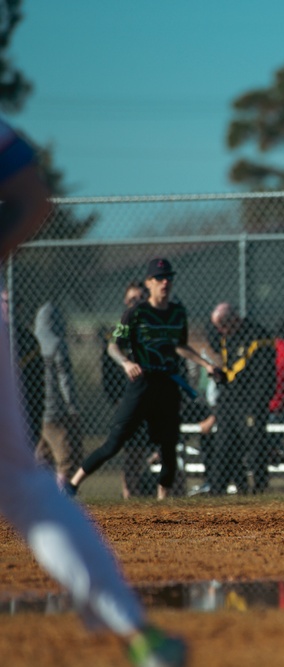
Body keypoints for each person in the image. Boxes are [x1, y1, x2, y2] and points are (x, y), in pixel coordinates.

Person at [0, 118, 187, 665]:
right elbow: (33, 199)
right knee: (25, 489)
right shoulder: (136, 314)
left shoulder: (171, 312)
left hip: (156, 391)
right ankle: (136, 633)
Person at [67, 258, 223, 500]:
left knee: (169, 447)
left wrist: (206, 365)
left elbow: (179, 346)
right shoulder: (135, 313)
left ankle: (163, 502)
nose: (165, 282)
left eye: (168, 278)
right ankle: (72, 485)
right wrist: (127, 362)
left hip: (168, 385)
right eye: (159, 278)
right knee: (114, 443)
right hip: (142, 384)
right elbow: (113, 347)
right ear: (149, 283)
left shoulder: (177, 313)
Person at [206, 302, 276, 495]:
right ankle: (217, 492)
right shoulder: (224, 337)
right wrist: (220, 375)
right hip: (229, 400)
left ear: (234, 320)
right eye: (218, 327)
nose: (220, 331)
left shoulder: (257, 336)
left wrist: (256, 405)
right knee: (223, 447)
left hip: (251, 402)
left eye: (223, 325)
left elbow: (264, 377)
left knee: (254, 447)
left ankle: (258, 489)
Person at [103, 281, 156, 498]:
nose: (137, 303)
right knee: (133, 454)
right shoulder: (119, 332)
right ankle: (130, 496)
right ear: (126, 302)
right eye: (132, 300)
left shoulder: (156, 328)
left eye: (141, 299)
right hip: (130, 402)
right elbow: (108, 374)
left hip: (155, 402)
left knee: (166, 450)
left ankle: (170, 499)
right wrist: (119, 401)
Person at [32, 302, 84, 489]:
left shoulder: (31, 341)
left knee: (41, 455)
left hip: (36, 409)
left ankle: (36, 491)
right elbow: (65, 379)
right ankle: (62, 495)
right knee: (66, 459)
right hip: (56, 412)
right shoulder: (57, 343)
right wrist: (72, 406)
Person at [1, 287, 43, 446]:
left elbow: (37, 382)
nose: (9, 307)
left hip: (24, 409)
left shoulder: (28, 340)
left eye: (14, 303)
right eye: (5, 302)